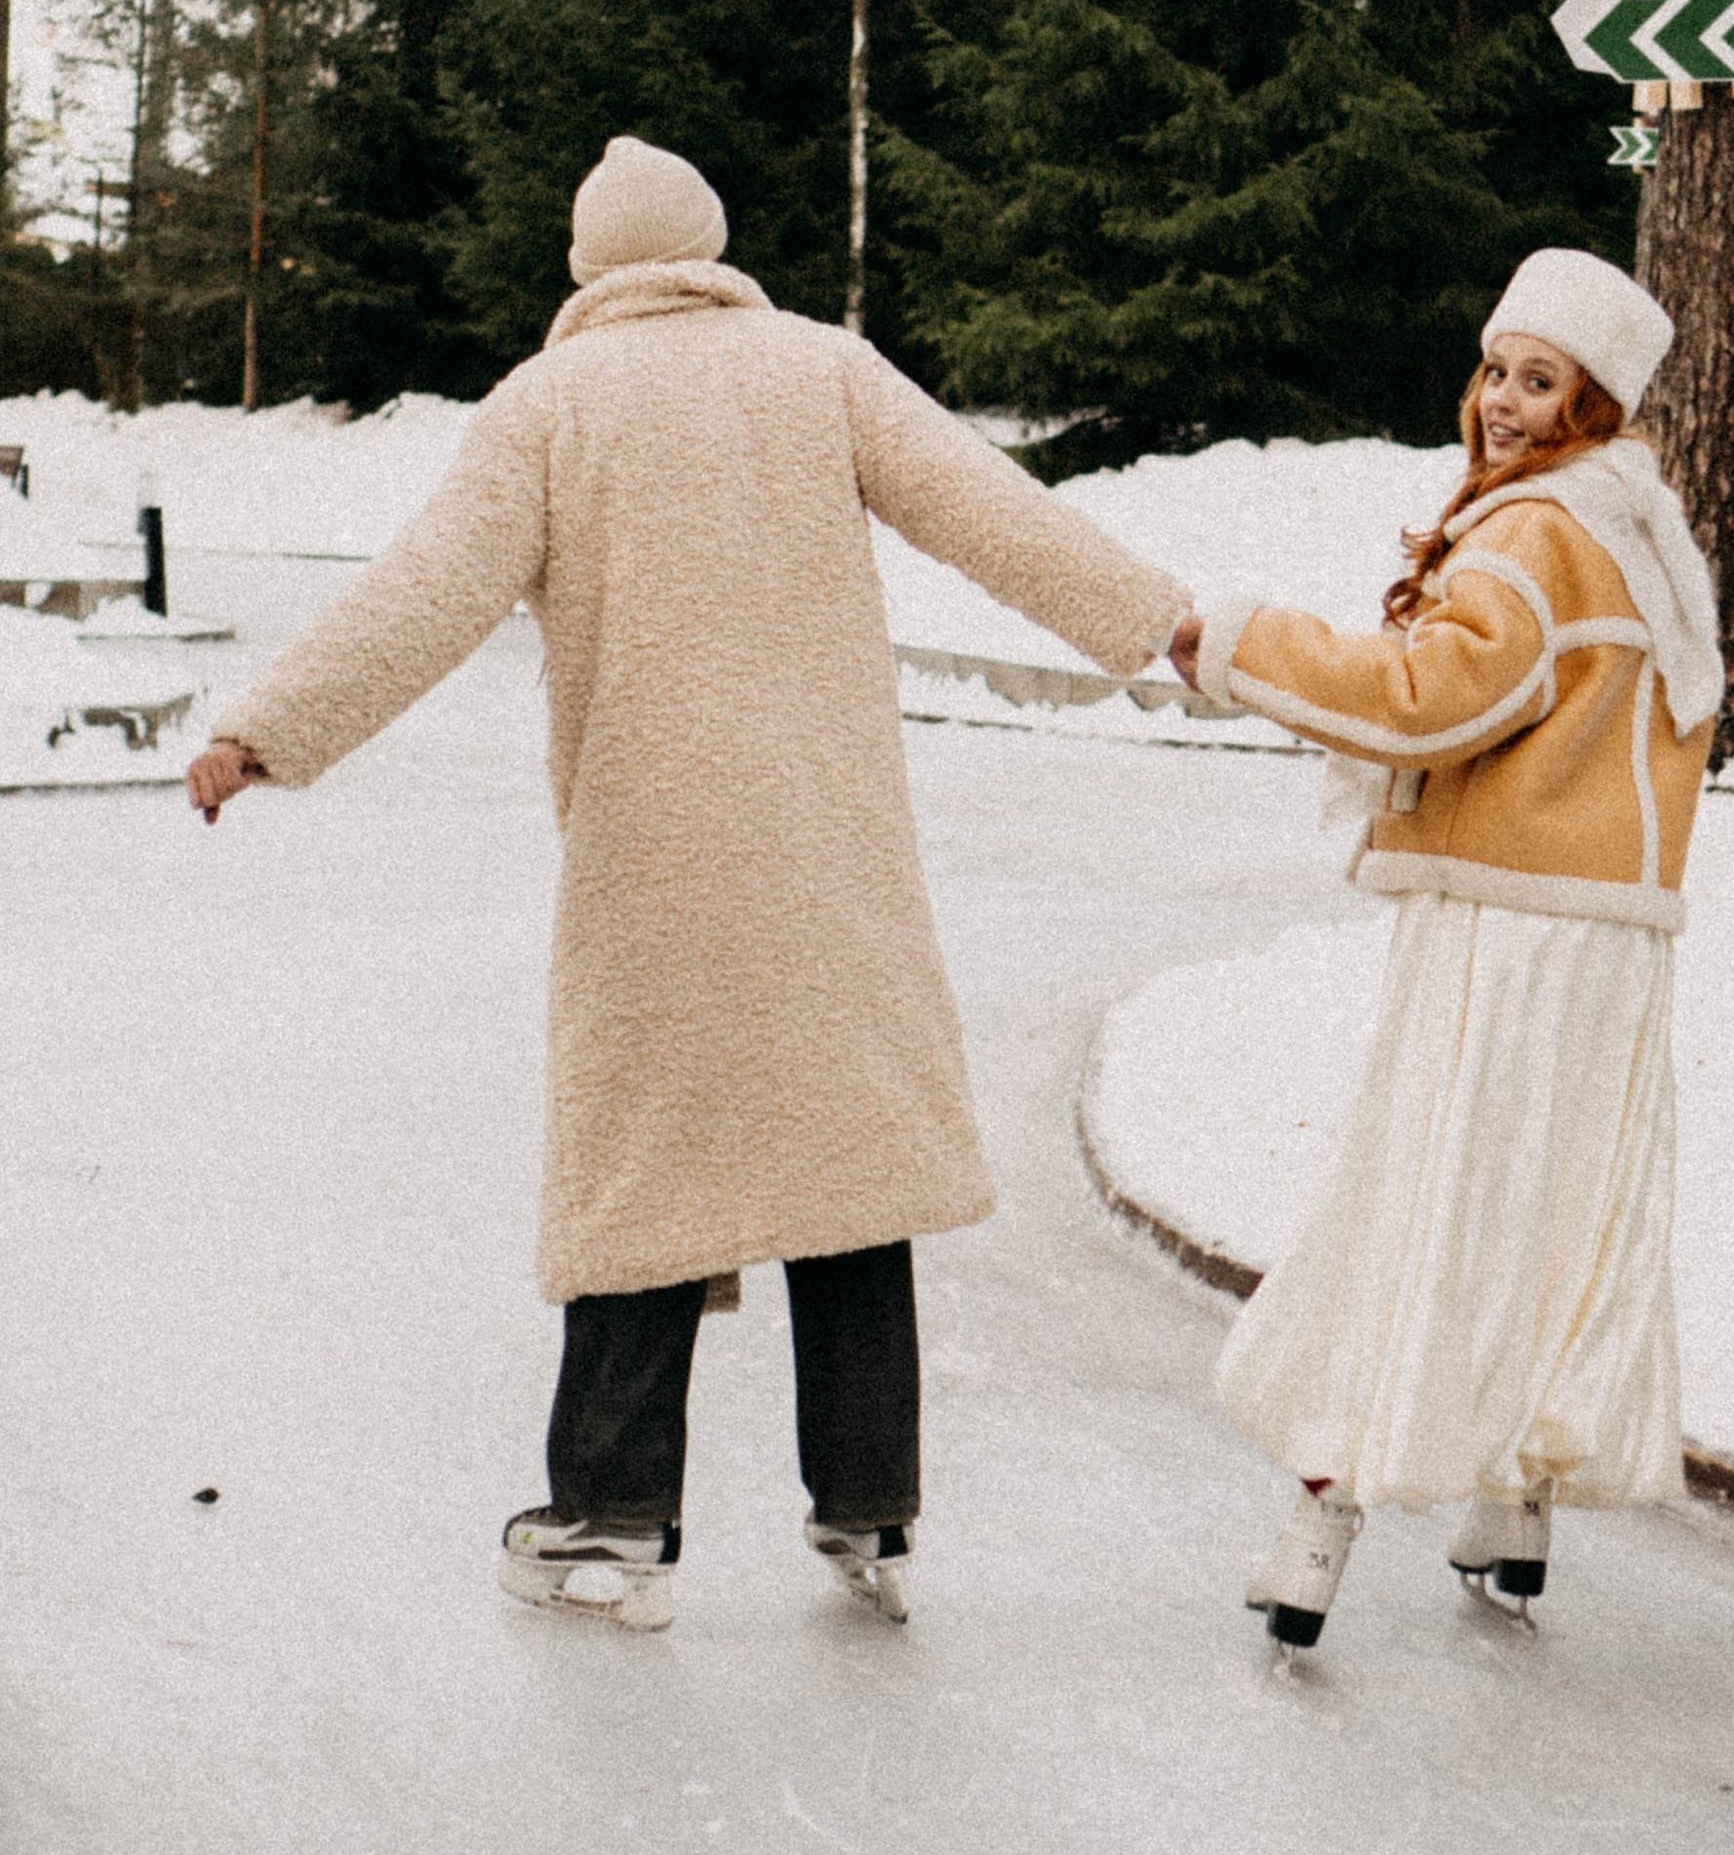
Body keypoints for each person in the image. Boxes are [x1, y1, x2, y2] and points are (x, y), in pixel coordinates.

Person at [187, 135, 1189, 1631]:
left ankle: (609, 1517)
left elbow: (426, 593)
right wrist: (1160, 620)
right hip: (830, 842)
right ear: (710, 249)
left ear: (590, 268)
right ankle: (869, 1503)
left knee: (643, 1168)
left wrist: (270, 728)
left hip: (656, 858)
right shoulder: (822, 367)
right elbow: (996, 512)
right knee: (848, 1160)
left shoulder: (548, 406)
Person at [1168, 247, 1719, 1652]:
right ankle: (1517, 1504)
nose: (1504, 405)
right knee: (1555, 1208)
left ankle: (1322, 1521)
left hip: (1508, 933)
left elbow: (1429, 701)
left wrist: (1245, 646)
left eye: (1542, 382)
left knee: (1425, 1199)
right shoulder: (1644, 532)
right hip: (1612, 941)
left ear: (1593, 404)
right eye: (1495, 371)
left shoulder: (1536, 536)